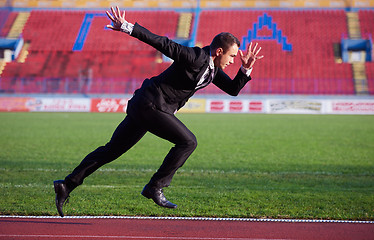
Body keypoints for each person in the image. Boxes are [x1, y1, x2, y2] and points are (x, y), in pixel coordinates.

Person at [54, 6, 264, 217]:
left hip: (145, 106)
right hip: (151, 104)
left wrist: (245, 69)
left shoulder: (213, 69)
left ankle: (67, 185)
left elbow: (233, 90)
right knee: (188, 142)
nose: (233, 60)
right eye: (233, 56)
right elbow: (164, 43)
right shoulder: (195, 56)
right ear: (219, 51)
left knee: (111, 150)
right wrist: (128, 27)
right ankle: (155, 186)